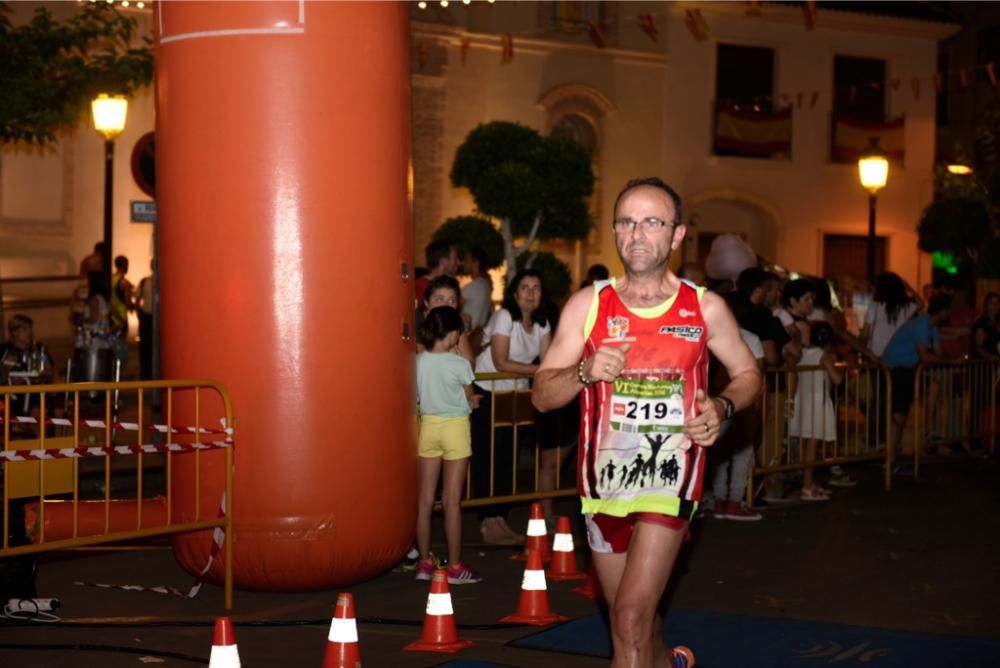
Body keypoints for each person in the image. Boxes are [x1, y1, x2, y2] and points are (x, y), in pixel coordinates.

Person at [533, 177, 761, 667]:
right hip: (603, 485)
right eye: (627, 222)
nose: (637, 234)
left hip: (670, 478)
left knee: (631, 619)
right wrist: (583, 371)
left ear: (677, 235)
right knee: (631, 620)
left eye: (652, 222)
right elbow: (542, 396)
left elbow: (748, 374)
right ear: (615, 232)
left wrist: (722, 407)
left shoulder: (704, 308)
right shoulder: (588, 305)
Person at [471, 269, 552, 545]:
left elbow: (549, 359)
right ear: (514, 293)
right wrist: (540, 370)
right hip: (487, 392)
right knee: (488, 456)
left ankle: (500, 519)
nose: (530, 294)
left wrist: (546, 370)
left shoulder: (542, 324)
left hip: (515, 396)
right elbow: (501, 362)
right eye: (525, 288)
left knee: (508, 457)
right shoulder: (504, 317)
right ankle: (487, 520)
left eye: (536, 288)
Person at [413, 306, 483, 584]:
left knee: (425, 500)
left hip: (427, 427)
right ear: (453, 333)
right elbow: (468, 399)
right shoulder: (460, 364)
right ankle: (454, 566)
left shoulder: (418, 361)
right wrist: (473, 402)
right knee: (452, 501)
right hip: (455, 429)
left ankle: (424, 562)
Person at [881, 293, 953, 468]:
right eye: (949, 309)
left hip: (908, 369)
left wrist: (953, 358)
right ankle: (890, 457)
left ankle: (912, 442)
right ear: (943, 311)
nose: (950, 313)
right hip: (896, 369)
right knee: (899, 414)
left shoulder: (931, 326)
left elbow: (938, 351)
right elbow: (927, 357)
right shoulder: (922, 324)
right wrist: (954, 360)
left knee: (906, 409)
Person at [788, 321, 844, 500]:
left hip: (802, 399)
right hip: (817, 400)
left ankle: (809, 483)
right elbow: (837, 380)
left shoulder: (803, 353)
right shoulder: (824, 355)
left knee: (806, 445)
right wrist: (838, 368)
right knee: (813, 446)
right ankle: (807, 488)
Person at [0, 315, 55, 417]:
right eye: (25, 329)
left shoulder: (38, 349)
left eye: (30, 328)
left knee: (43, 403)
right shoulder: (4, 350)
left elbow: (48, 372)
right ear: (14, 332)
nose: (29, 332)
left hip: (34, 394)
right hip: (11, 395)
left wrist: (38, 373)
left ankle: (37, 431)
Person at [417, 276, 475, 364]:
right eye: (439, 300)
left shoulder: (454, 321)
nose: (446, 306)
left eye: (452, 301)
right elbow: (426, 364)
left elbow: (470, 362)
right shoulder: (415, 322)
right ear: (426, 302)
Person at [460, 246, 493, 349]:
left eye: (466, 259)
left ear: (476, 263)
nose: (463, 262)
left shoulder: (473, 286)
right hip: (478, 339)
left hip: (469, 338)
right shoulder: (486, 284)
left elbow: (450, 309)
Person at [414, 240, 460, 306]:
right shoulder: (421, 287)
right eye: (455, 258)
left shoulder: (421, 284)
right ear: (443, 262)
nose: (458, 262)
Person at [136, 261, 155, 379]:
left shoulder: (145, 282)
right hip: (147, 316)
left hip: (149, 316)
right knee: (145, 346)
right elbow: (138, 299)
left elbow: (138, 299)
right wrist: (140, 314)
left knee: (148, 346)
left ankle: (149, 372)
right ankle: (146, 373)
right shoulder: (144, 282)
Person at [110, 255, 135, 339]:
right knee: (121, 346)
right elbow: (128, 303)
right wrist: (135, 307)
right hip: (121, 318)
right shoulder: (125, 283)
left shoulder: (110, 279)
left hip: (111, 316)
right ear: (125, 265)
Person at [970, 292, 1000, 360]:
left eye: (997, 303)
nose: (995, 306)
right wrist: (991, 357)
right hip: (983, 364)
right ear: (986, 305)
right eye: (991, 303)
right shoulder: (981, 324)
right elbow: (978, 348)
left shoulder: (997, 322)